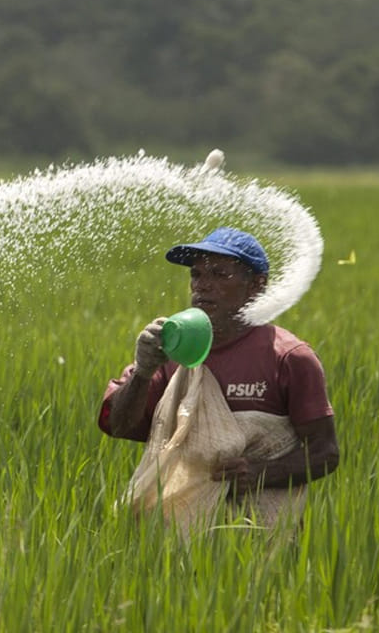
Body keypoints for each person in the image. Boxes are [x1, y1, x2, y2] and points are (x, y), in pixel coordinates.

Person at [100, 227, 339, 532]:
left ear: (256, 286)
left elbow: (325, 452)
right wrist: (143, 372)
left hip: (262, 535)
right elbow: (121, 426)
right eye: (197, 275)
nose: (203, 286)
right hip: (177, 536)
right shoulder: (172, 351)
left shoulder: (289, 357)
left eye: (219, 275)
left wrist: (260, 472)